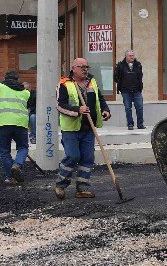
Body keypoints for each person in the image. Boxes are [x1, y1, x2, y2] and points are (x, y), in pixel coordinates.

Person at [56, 58, 111, 200]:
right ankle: (61, 184)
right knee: (73, 155)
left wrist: (105, 110)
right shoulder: (64, 84)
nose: (85, 69)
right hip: (71, 129)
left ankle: (82, 187)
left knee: (88, 158)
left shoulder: (92, 82)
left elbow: (100, 99)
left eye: (87, 66)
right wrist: (77, 110)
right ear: (74, 68)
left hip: (88, 127)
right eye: (82, 67)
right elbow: (60, 106)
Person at [0, 70, 35, 186]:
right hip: (20, 124)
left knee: (5, 151)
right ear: (17, 79)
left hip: (2, 123)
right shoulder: (25, 92)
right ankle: (17, 165)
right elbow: (30, 104)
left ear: (5, 78)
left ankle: (11, 178)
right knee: (23, 147)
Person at [113, 50, 144, 130]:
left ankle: (140, 124)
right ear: (126, 56)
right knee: (128, 107)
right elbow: (116, 77)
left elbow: (140, 76)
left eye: (133, 55)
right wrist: (122, 85)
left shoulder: (138, 65)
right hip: (125, 91)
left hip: (137, 90)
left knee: (139, 107)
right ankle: (130, 124)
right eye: (130, 56)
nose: (132, 57)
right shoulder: (120, 65)